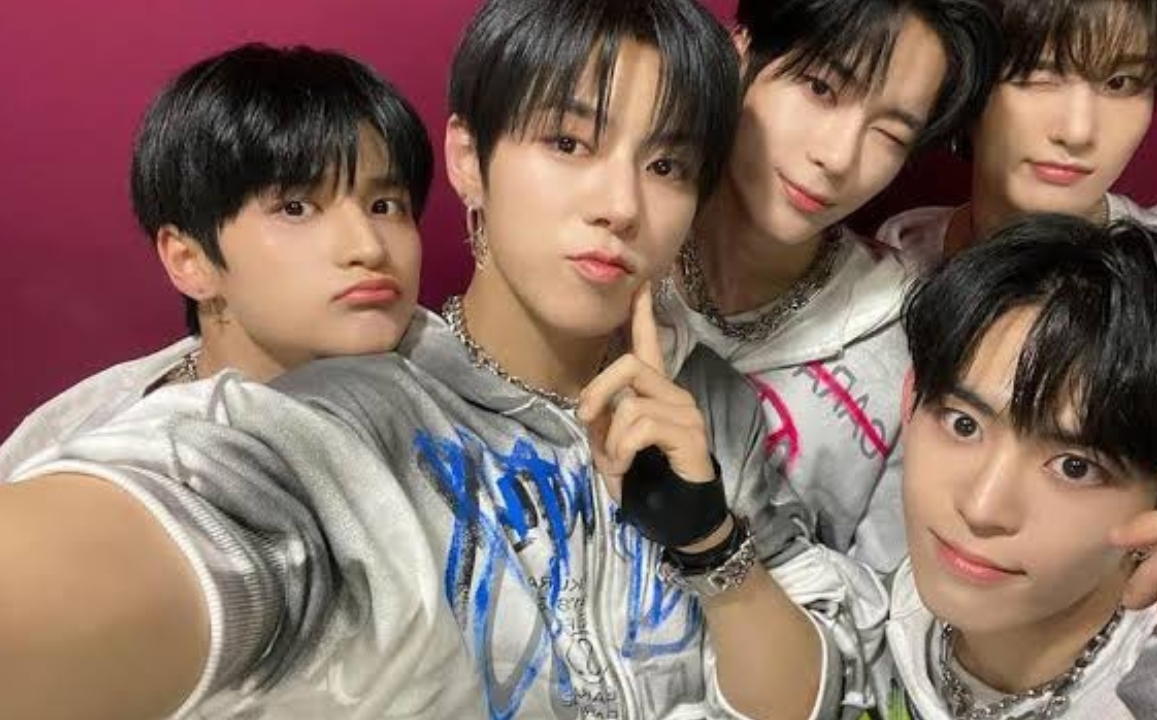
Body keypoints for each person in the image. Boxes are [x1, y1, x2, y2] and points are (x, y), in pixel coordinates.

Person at [0, 1, 880, 717]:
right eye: (568, 143)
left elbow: (803, 697)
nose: (621, 204)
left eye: (668, 165)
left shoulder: (709, 405)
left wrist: (711, 546)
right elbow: (209, 511)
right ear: (468, 158)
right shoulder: (356, 416)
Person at [875, 0, 1157, 509]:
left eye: (1121, 83)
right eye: (1038, 73)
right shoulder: (901, 250)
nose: (1078, 130)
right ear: (967, 83)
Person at [884, 214, 1157, 719]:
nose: (981, 508)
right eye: (964, 425)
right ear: (910, 401)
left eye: (1075, 467)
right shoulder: (886, 609)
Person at [657, 0, 1002, 571]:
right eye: (820, 88)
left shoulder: (912, 341)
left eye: (889, 134)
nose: (838, 157)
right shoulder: (616, 221)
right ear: (740, 52)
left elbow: (880, 606)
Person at [0, 43, 431, 479]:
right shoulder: (120, 459)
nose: (369, 247)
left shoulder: (452, 368)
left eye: (384, 206)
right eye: (296, 208)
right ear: (190, 260)